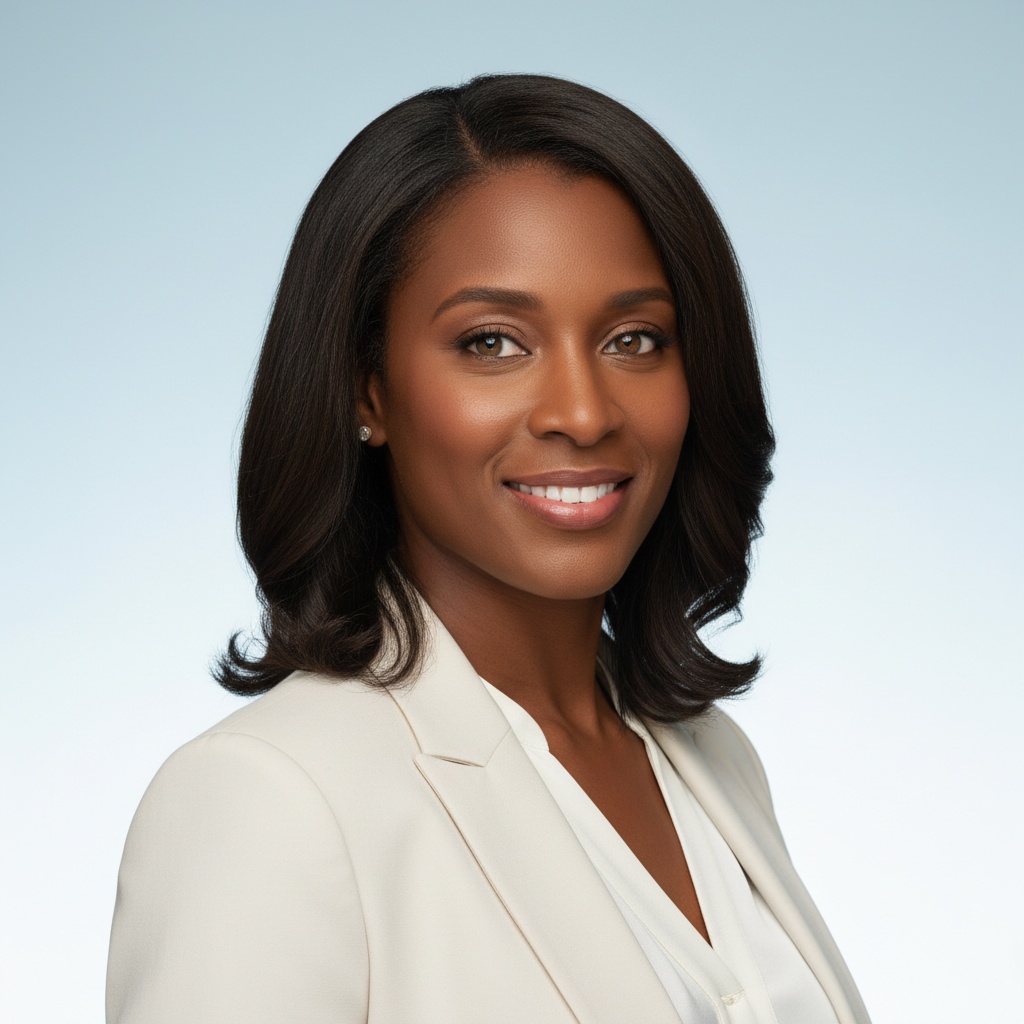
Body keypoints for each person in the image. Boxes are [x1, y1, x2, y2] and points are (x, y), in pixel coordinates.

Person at [106, 74, 871, 1023]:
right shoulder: (268, 801)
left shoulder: (714, 762)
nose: (584, 414)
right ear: (365, 391)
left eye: (635, 339)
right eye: (494, 343)